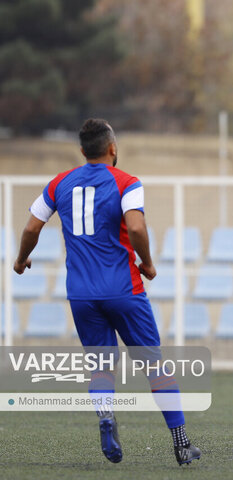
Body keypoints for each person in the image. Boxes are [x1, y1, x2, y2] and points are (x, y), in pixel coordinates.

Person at [13, 119, 201, 465]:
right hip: (123, 289)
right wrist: (147, 262)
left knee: (101, 366)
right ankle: (181, 443)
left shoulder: (59, 183)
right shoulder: (127, 182)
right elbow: (136, 225)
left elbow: (31, 226)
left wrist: (22, 259)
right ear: (112, 148)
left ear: (83, 151)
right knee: (153, 365)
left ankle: (105, 416)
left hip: (81, 294)